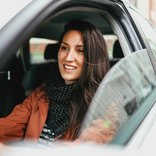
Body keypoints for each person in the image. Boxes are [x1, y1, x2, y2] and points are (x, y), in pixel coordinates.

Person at [0, 19, 111, 144]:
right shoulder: (41, 94)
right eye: (64, 48)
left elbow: (87, 146)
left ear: (93, 58)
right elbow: (9, 126)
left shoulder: (104, 107)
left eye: (80, 50)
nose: (68, 58)